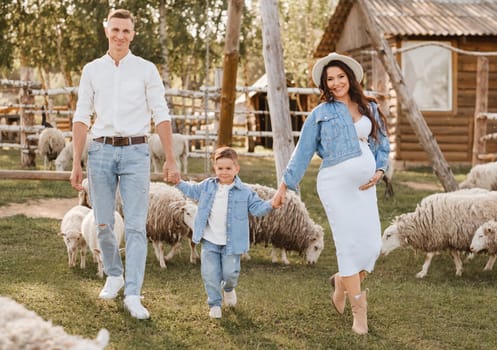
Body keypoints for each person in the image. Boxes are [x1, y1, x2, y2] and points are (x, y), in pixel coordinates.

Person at [69, 9, 180, 320]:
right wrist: (76, 162)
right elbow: (81, 116)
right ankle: (114, 275)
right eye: (115, 29)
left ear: (133, 34)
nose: (120, 35)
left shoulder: (146, 70)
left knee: (134, 227)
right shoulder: (92, 70)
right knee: (103, 223)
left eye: (126, 31)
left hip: (136, 153)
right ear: (107, 31)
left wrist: (171, 158)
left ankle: (133, 292)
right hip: (100, 152)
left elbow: (161, 114)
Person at [272, 52, 390, 334]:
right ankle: (359, 311)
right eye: (330, 79)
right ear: (325, 84)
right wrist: (283, 188)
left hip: (364, 187)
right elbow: (302, 153)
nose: (336, 83)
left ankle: (341, 282)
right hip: (334, 184)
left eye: (340, 77)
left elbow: (383, 143)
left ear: (350, 77)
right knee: (348, 246)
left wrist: (380, 171)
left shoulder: (369, 107)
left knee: (371, 247)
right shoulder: (320, 114)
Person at [172, 146, 280, 319]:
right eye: (220, 168)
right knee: (210, 273)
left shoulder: (244, 191)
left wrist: (271, 204)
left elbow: (257, 208)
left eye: (228, 168)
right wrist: (178, 182)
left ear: (236, 169)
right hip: (209, 240)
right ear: (215, 168)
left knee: (230, 273)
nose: (224, 172)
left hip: (232, 242)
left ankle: (229, 288)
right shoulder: (207, 185)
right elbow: (192, 191)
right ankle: (214, 303)